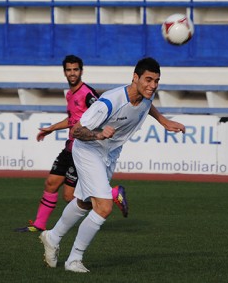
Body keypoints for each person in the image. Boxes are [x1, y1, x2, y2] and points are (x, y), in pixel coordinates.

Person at [38, 57, 186, 273]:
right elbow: (77, 131)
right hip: (88, 149)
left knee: (85, 202)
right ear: (135, 78)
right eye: (148, 80)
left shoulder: (146, 94)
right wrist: (98, 134)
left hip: (109, 153)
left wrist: (164, 121)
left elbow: (147, 104)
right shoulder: (109, 102)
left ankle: (52, 236)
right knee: (104, 206)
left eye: (156, 80)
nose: (152, 85)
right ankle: (74, 260)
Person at [15, 55, 128, 233]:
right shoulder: (70, 94)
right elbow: (73, 119)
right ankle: (38, 225)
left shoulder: (87, 94)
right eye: (69, 70)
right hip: (69, 146)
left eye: (75, 69)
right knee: (51, 183)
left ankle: (113, 193)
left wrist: (103, 134)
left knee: (69, 196)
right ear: (65, 72)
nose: (72, 73)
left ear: (81, 71)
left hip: (82, 148)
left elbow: (101, 112)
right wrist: (52, 128)